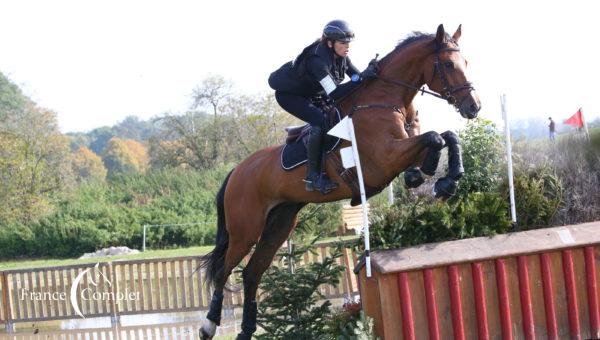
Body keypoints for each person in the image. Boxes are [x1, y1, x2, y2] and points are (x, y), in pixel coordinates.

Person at [268, 19, 378, 194]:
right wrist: (363, 77)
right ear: (330, 43)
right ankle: (313, 177)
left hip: (311, 93)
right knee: (319, 121)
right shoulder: (317, 61)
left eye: (348, 43)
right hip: (289, 95)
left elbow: (357, 78)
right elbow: (335, 93)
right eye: (343, 43)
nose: (347, 46)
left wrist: (370, 72)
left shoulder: (342, 56)